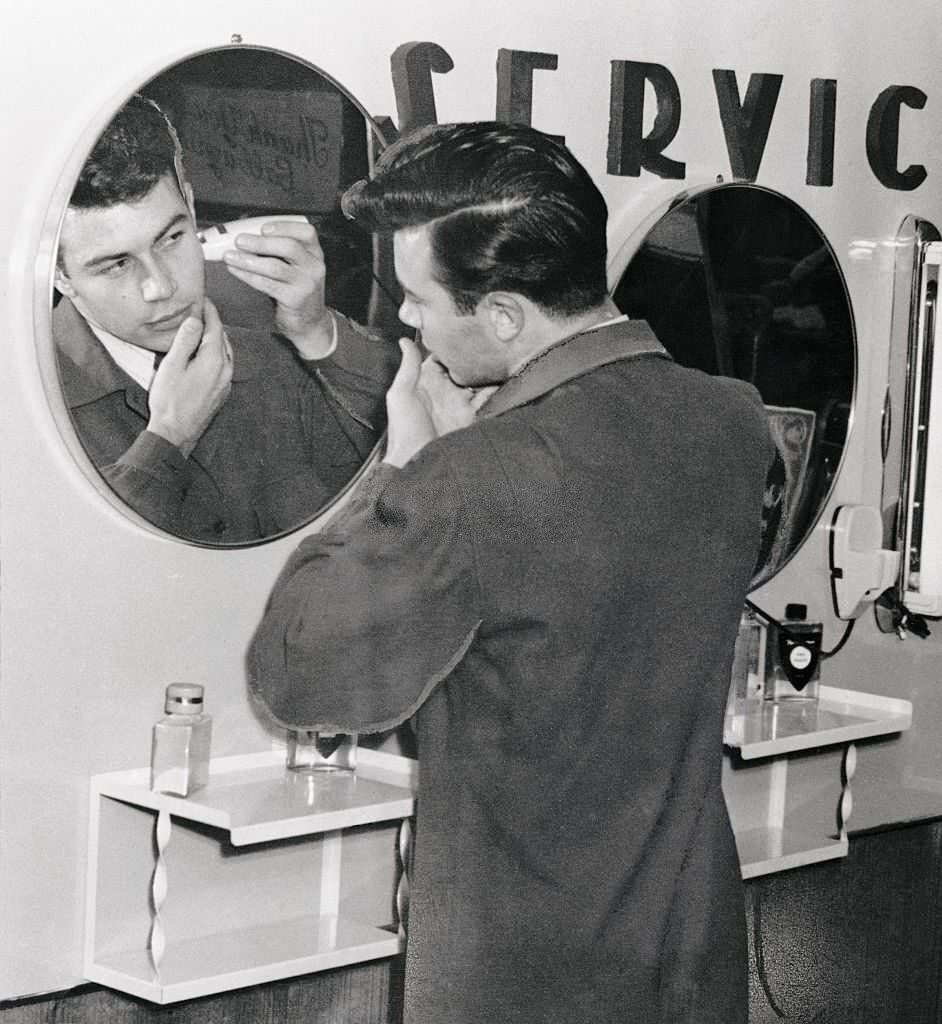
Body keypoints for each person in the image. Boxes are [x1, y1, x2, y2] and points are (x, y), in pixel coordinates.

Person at [248, 121, 773, 1023]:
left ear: (501, 317)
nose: (406, 320)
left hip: (518, 978)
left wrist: (406, 465)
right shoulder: (732, 421)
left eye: (416, 299)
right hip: (685, 959)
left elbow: (300, 676)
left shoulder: (471, 480)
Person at [53, 94, 397, 543]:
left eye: (172, 238)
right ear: (58, 274)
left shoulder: (268, 353)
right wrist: (168, 440)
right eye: (116, 264)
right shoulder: (25, 412)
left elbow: (401, 482)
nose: (162, 287)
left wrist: (317, 334)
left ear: (192, 206)